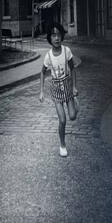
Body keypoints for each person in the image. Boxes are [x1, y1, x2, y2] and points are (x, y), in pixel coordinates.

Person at [39, 22, 79, 157]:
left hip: (67, 86)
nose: (56, 38)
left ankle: (74, 102)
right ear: (49, 38)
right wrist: (41, 91)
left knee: (72, 116)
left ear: (62, 36)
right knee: (62, 120)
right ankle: (62, 145)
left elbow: (73, 69)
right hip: (56, 89)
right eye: (53, 35)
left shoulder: (67, 51)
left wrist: (74, 87)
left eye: (59, 35)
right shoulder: (48, 56)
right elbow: (42, 72)